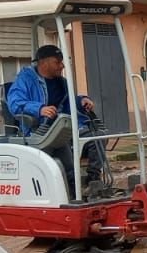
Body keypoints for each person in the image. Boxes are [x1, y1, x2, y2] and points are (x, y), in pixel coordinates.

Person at [6, 45, 106, 187]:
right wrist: (39, 109)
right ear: (43, 63)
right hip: (39, 132)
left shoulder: (62, 82)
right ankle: (65, 190)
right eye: (57, 62)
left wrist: (81, 100)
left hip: (62, 129)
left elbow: (70, 100)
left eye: (62, 61)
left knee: (98, 135)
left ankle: (93, 180)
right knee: (64, 167)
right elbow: (15, 103)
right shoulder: (26, 79)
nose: (62, 65)